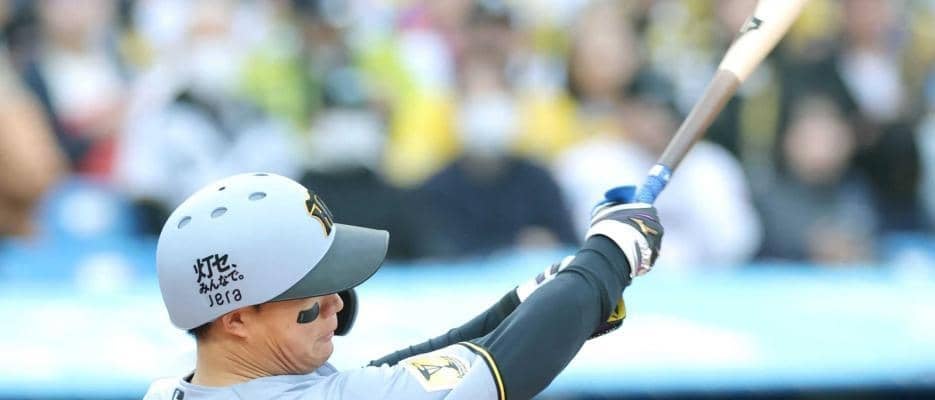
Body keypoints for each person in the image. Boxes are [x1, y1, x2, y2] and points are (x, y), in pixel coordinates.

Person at [143, 173, 663, 400]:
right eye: (311, 294)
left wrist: (527, 300)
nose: (335, 303)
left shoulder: (172, 391)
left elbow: (407, 370)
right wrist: (610, 256)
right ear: (236, 319)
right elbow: (505, 368)